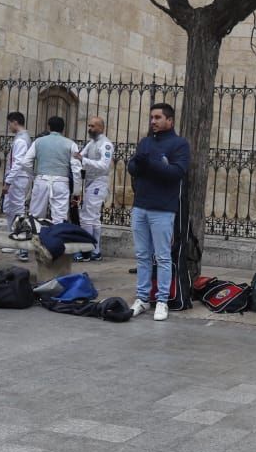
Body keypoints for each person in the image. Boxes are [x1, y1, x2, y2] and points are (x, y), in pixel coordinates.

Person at [126, 102, 191, 320]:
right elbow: (133, 168)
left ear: (169, 121)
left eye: (157, 117)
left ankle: (162, 300)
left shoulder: (179, 144)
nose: (153, 121)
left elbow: (176, 173)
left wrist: (151, 162)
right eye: (151, 117)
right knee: (142, 255)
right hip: (140, 207)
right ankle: (142, 298)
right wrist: (140, 162)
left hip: (163, 209)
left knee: (162, 256)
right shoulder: (145, 142)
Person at [73, 114, 114, 260]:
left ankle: (86, 251)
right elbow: (79, 156)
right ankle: (95, 251)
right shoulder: (91, 143)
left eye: (93, 126)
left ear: (101, 128)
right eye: (89, 125)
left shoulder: (106, 144)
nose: (90, 128)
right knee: (94, 218)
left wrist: (83, 159)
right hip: (90, 182)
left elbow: (104, 164)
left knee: (87, 216)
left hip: (99, 182)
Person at [1, 111, 33, 229]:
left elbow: (18, 163)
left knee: (17, 208)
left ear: (15, 123)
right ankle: (11, 234)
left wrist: (8, 182)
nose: (9, 126)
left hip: (19, 178)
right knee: (11, 208)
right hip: (17, 177)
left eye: (9, 124)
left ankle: (17, 238)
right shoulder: (21, 138)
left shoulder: (21, 140)